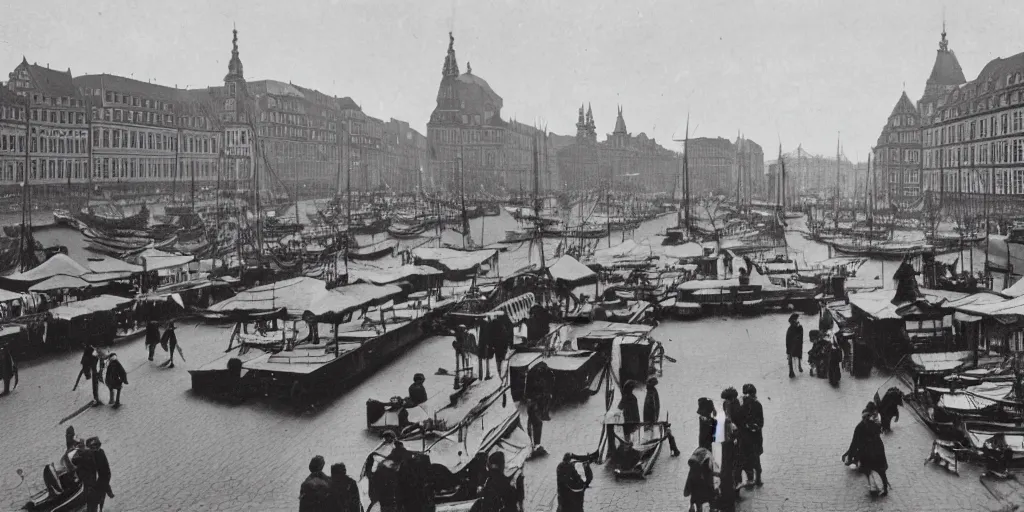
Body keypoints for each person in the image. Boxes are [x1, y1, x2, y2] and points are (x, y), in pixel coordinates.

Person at [643, 377, 680, 456]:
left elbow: (654, 406)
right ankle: (674, 450)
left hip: (651, 417)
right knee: (664, 432)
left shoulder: (651, 392)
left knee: (654, 431)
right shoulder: (652, 392)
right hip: (651, 417)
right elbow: (653, 406)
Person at [719, 386, 743, 505]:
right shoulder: (727, 403)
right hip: (730, 436)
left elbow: (734, 418)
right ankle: (734, 489)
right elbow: (727, 417)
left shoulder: (735, 404)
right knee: (732, 465)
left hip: (735, 436)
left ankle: (736, 490)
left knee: (736, 465)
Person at [525, 362, 554, 456]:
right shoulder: (536, 373)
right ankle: (535, 445)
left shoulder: (538, 372)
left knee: (533, 423)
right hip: (534, 401)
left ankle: (534, 445)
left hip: (535, 400)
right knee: (536, 423)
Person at [739, 383, 764, 487]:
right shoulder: (756, 404)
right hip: (752, 437)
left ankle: (752, 479)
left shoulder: (742, 405)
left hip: (748, 437)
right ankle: (756, 479)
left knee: (749, 458)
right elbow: (761, 422)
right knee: (755, 458)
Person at [683, 447, 716, 512]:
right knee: (708, 496)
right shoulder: (707, 458)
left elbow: (690, 481)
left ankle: (697, 507)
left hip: (696, 488)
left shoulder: (694, 464)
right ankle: (711, 508)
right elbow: (709, 479)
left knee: (697, 501)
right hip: (702, 486)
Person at [491, 311, 513, 379]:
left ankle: (501, 375)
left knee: (499, 360)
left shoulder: (494, 323)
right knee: (504, 360)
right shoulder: (505, 323)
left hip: (497, 345)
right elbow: (509, 333)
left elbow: (491, 335)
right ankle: (504, 375)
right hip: (503, 344)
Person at [785, 314, 804, 378]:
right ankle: (791, 371)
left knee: (798, 354)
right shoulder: (790, 329)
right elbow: (788, 339)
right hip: (791, 344)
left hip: (798, 344)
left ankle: (799, 366)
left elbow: (801, 334)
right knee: (790, 355)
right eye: (794, 321)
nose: (796, 321)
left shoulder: (799, 327)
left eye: (796, 320)